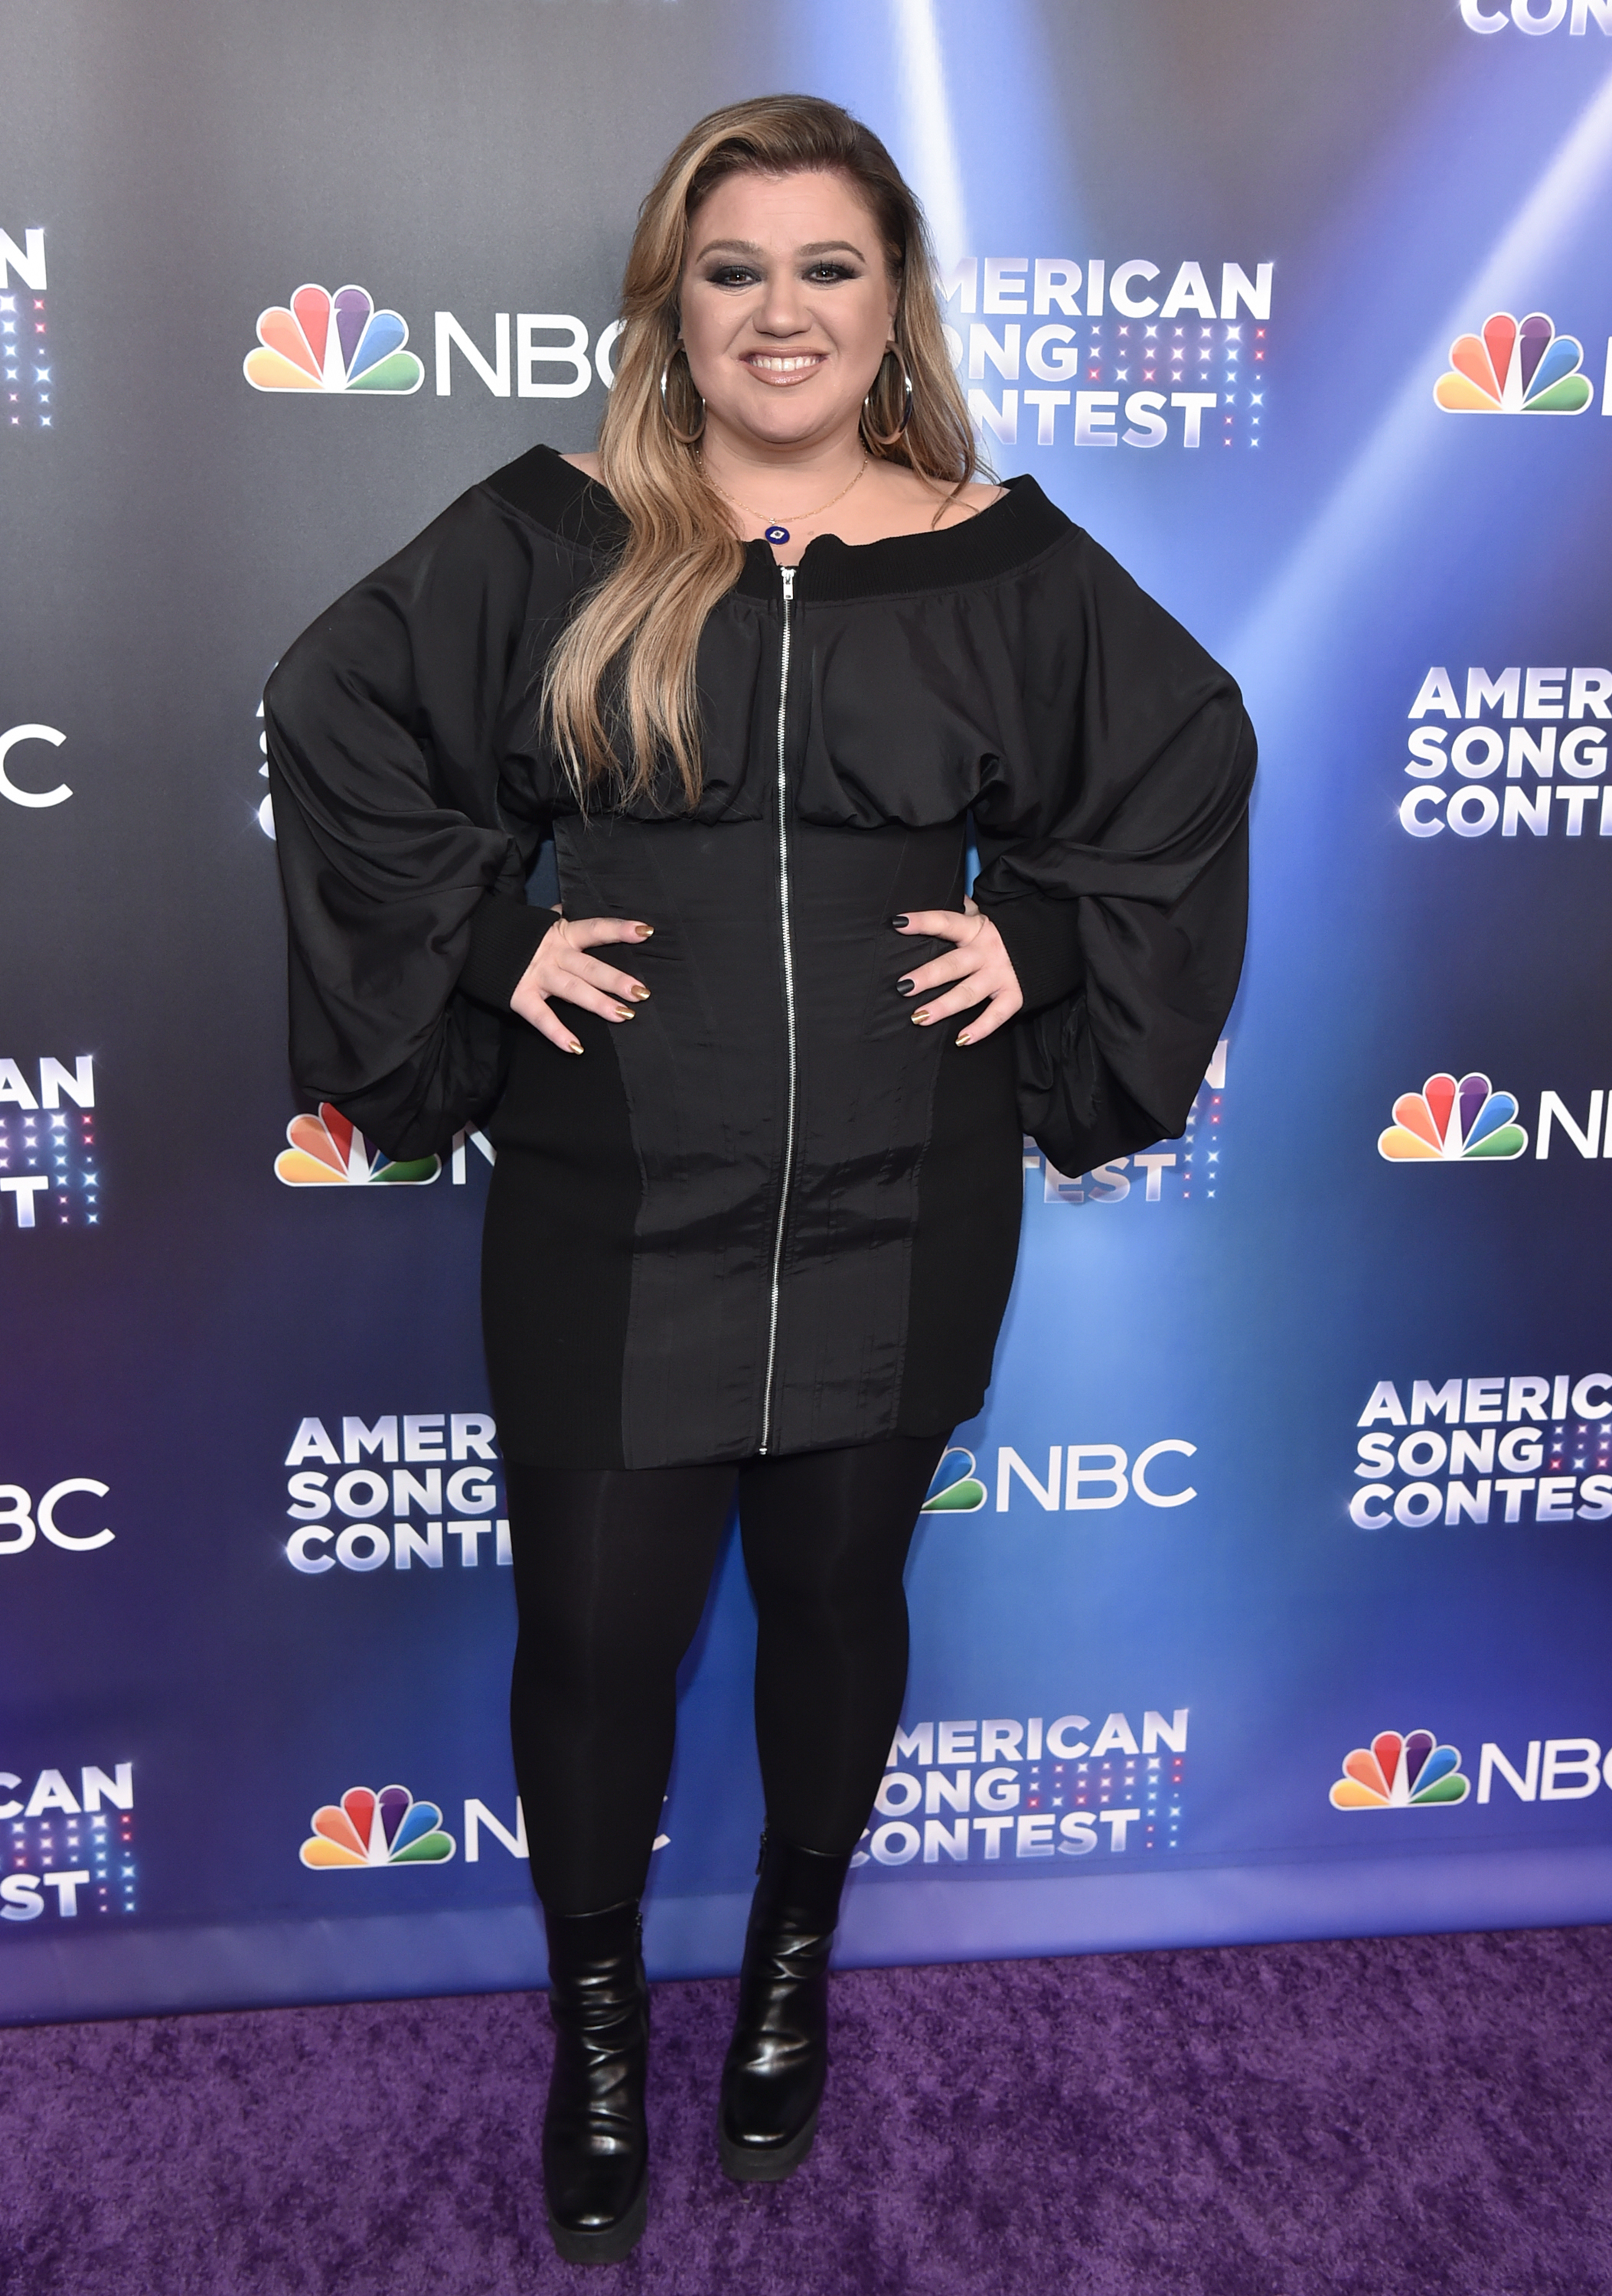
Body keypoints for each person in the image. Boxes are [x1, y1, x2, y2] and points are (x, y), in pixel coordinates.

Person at [266, 93, 1255, 2266]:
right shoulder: (555, 537)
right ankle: (598, 2028)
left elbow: (1185, 764)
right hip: (614, 1199)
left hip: (905, 1200)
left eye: (825, 266)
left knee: (833, 1607)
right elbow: (332, 714)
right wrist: (495, 941)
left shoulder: (1005, 557)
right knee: (596, 1646)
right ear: (674, 305)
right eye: (735, 271)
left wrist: (1058, 940)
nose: (780, 312)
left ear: (890, 300)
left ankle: (789, 1970)